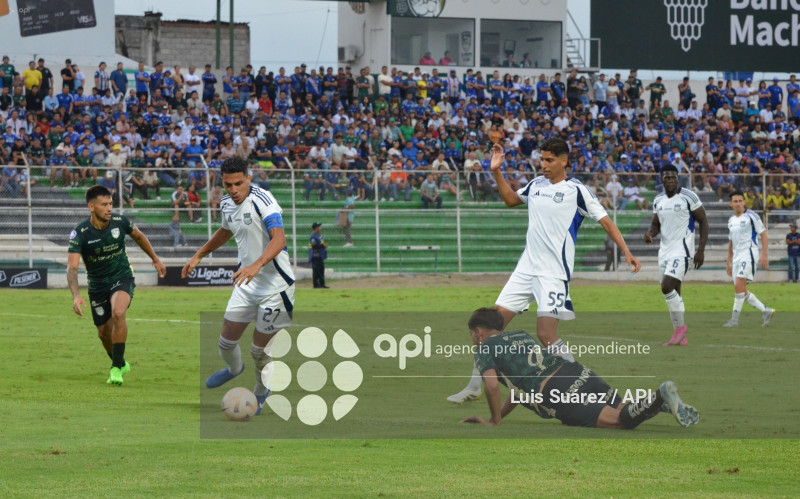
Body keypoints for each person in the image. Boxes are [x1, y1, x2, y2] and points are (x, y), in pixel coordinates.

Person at [448, 139, 642, 404]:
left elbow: (606, 222)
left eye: (550, 160)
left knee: (546, 334)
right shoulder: (535, 185)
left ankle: (586, 387)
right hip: (525, 270)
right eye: (542, 159)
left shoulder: (577, 190)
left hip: (553, 273)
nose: (544, 165)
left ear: (564, 161)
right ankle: (474, 387)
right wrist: (496, 171)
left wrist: (627, 252)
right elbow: (510, 200)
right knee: (487, 328)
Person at [182, 157, 295, 416]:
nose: (233, 190)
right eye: (228, 185)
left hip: (276, 288)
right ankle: (234, 370)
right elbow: (226, 230)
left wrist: (258, 264)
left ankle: (261, 389)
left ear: (249, 178)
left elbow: (279, 239)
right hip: (246, 284)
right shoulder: (226, 203)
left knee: (259, 350)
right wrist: (199, 254)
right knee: (225, 342)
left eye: (238, 183)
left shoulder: (263, 200)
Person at [461, 308, 700, 429]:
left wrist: (495, 421)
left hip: (557, 392)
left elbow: (492, 385)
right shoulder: (519, 335)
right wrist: (499, 415)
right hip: (576, 371)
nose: (473, 339)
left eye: (472, 335)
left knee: (619, 422)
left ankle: (660, 395)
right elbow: (517, 391)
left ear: (479, 332)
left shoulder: (484, 348)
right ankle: (660, 402)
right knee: (625, 410)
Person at [67, 185, 166, 385]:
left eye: (111, 204)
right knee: (103, 333)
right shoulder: (81, 233)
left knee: (119, 312)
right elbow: (72, 268)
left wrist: (155, 258)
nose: (109, 208)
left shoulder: (120, 222)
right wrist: (76, 295)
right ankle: (120, 362)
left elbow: (139, 236)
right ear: (92, 207)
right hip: (97, 285)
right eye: (104, 205)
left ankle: (115, 370)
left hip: (122, 277)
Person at [644, 165, 709, 346]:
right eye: (667, 178)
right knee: (674, 293)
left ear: (678, 178)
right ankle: (680, 336)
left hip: (682, 251)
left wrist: (701, 250)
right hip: (664, 251)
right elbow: (656, 225)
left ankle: (680, 329)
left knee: (666, 287)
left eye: (673, 177)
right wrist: (650, 234)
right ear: (661, 180)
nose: (670, 181)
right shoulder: (658, 200)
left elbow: (703, 221)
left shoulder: (688, 196)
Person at [722, 191, 774, 327]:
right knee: (741, 290)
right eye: (735, 201)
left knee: (739, 285)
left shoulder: (751, 216)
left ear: (744, 202)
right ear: (731, 204)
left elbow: (764, 235)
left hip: (749, 254)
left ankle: (734, 321)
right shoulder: (731, 221)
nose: (738, 204)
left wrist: (764, 254)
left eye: (740, 201)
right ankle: (766, 310)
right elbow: (731, 242)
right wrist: (728, 261)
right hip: (737, 257)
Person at [309, 222, 329, 288]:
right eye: (319, 227)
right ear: (316, 228)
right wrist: (323, 246)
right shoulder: (313, 236)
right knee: (316, 270)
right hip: (315, 256)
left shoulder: (318, 235)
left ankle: (322, 284)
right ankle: (316, 284)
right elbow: (314, 246)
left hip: (320, 256)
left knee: (321, 270)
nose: (320, 228)